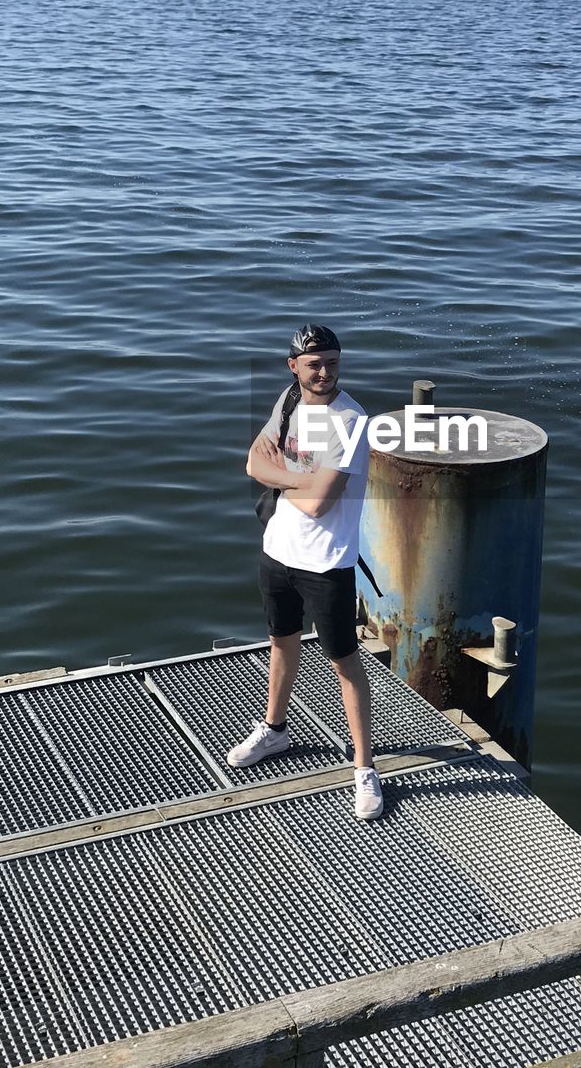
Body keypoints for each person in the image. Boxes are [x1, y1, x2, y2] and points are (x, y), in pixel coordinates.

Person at [228, 322, 383, 820]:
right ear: (293, 366)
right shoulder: (289, 401)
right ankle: (275, 730)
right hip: (278, 550)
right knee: (281, 641)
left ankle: (364, 767)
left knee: (343, 661)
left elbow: (319, 503)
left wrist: (285, 477)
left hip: (325, 562)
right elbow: (253, 463)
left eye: (333, 363)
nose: (325, 372)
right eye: (314, 364)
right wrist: (300, 477)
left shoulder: (351, 420)